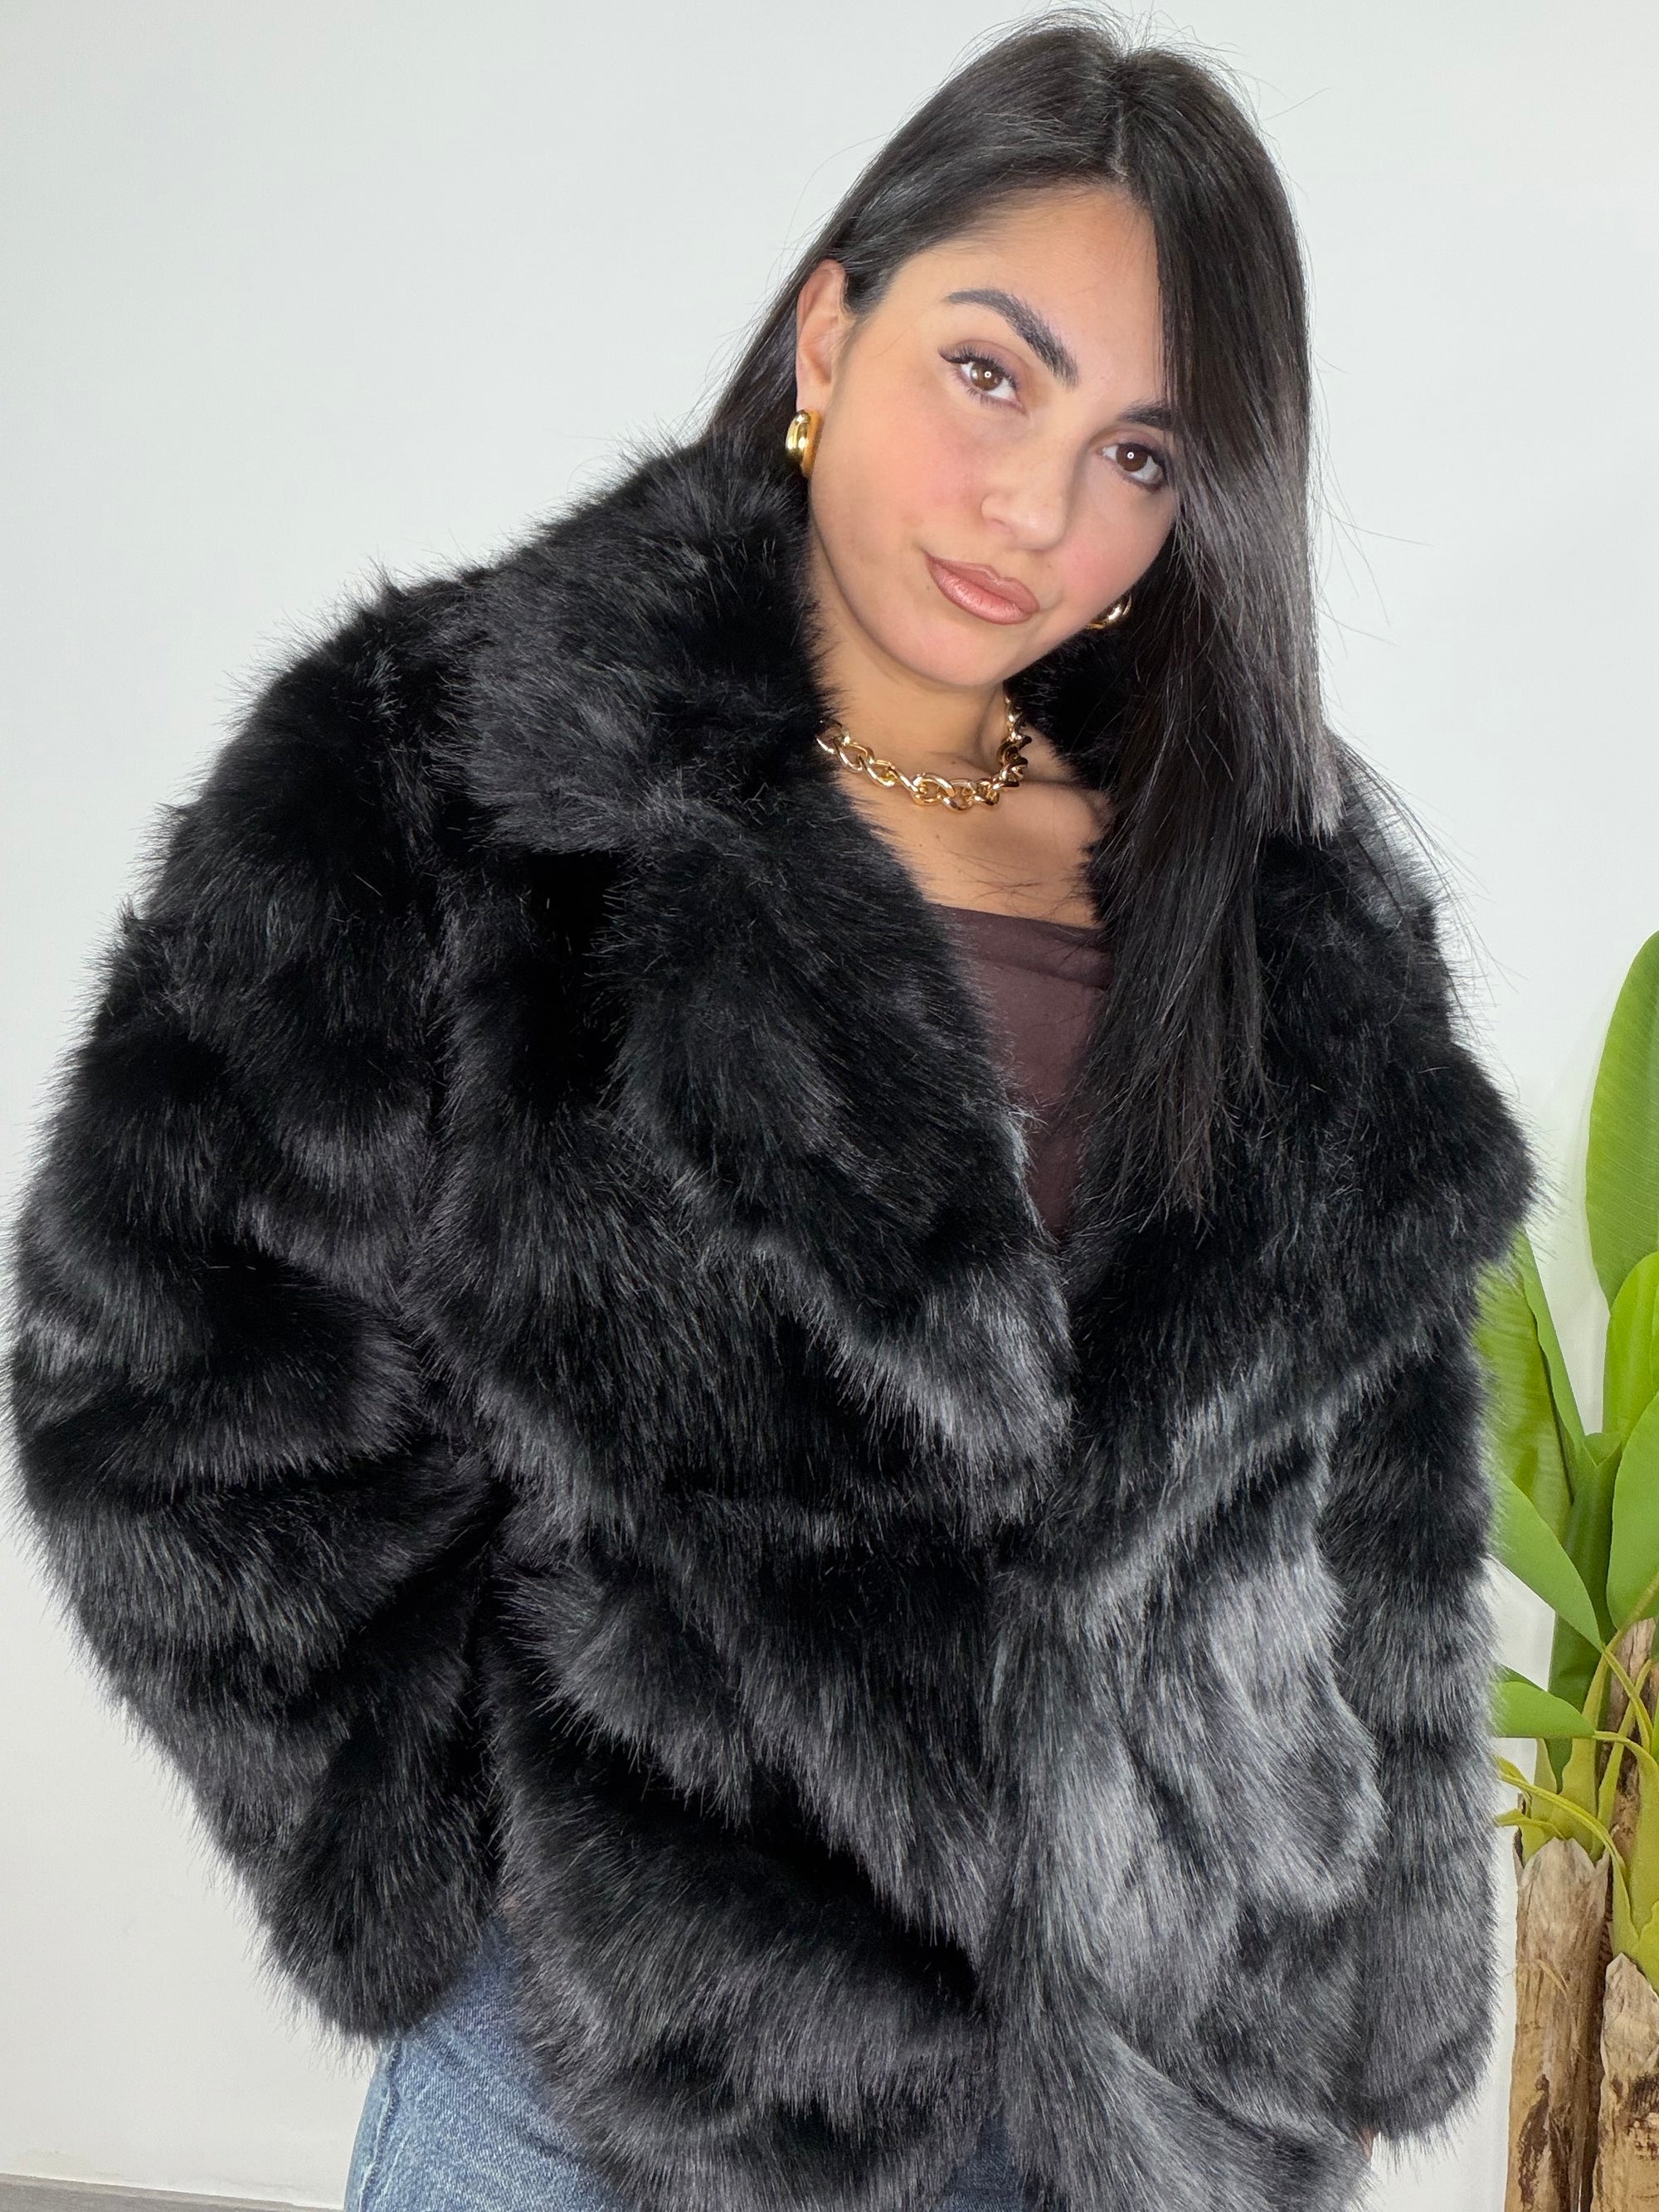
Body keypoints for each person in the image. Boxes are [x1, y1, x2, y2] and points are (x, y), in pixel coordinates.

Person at [7, 13, 1534, 2212]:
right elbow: (154, 1350)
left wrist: (1358, 1990)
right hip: (618, 2101)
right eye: (990, 374)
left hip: (1144, 2116)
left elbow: (1380, 1505)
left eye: (1140, 453)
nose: (1037, 509)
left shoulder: (1285, 904)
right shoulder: (455, 772)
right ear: (833, 328)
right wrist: (485, 1852)